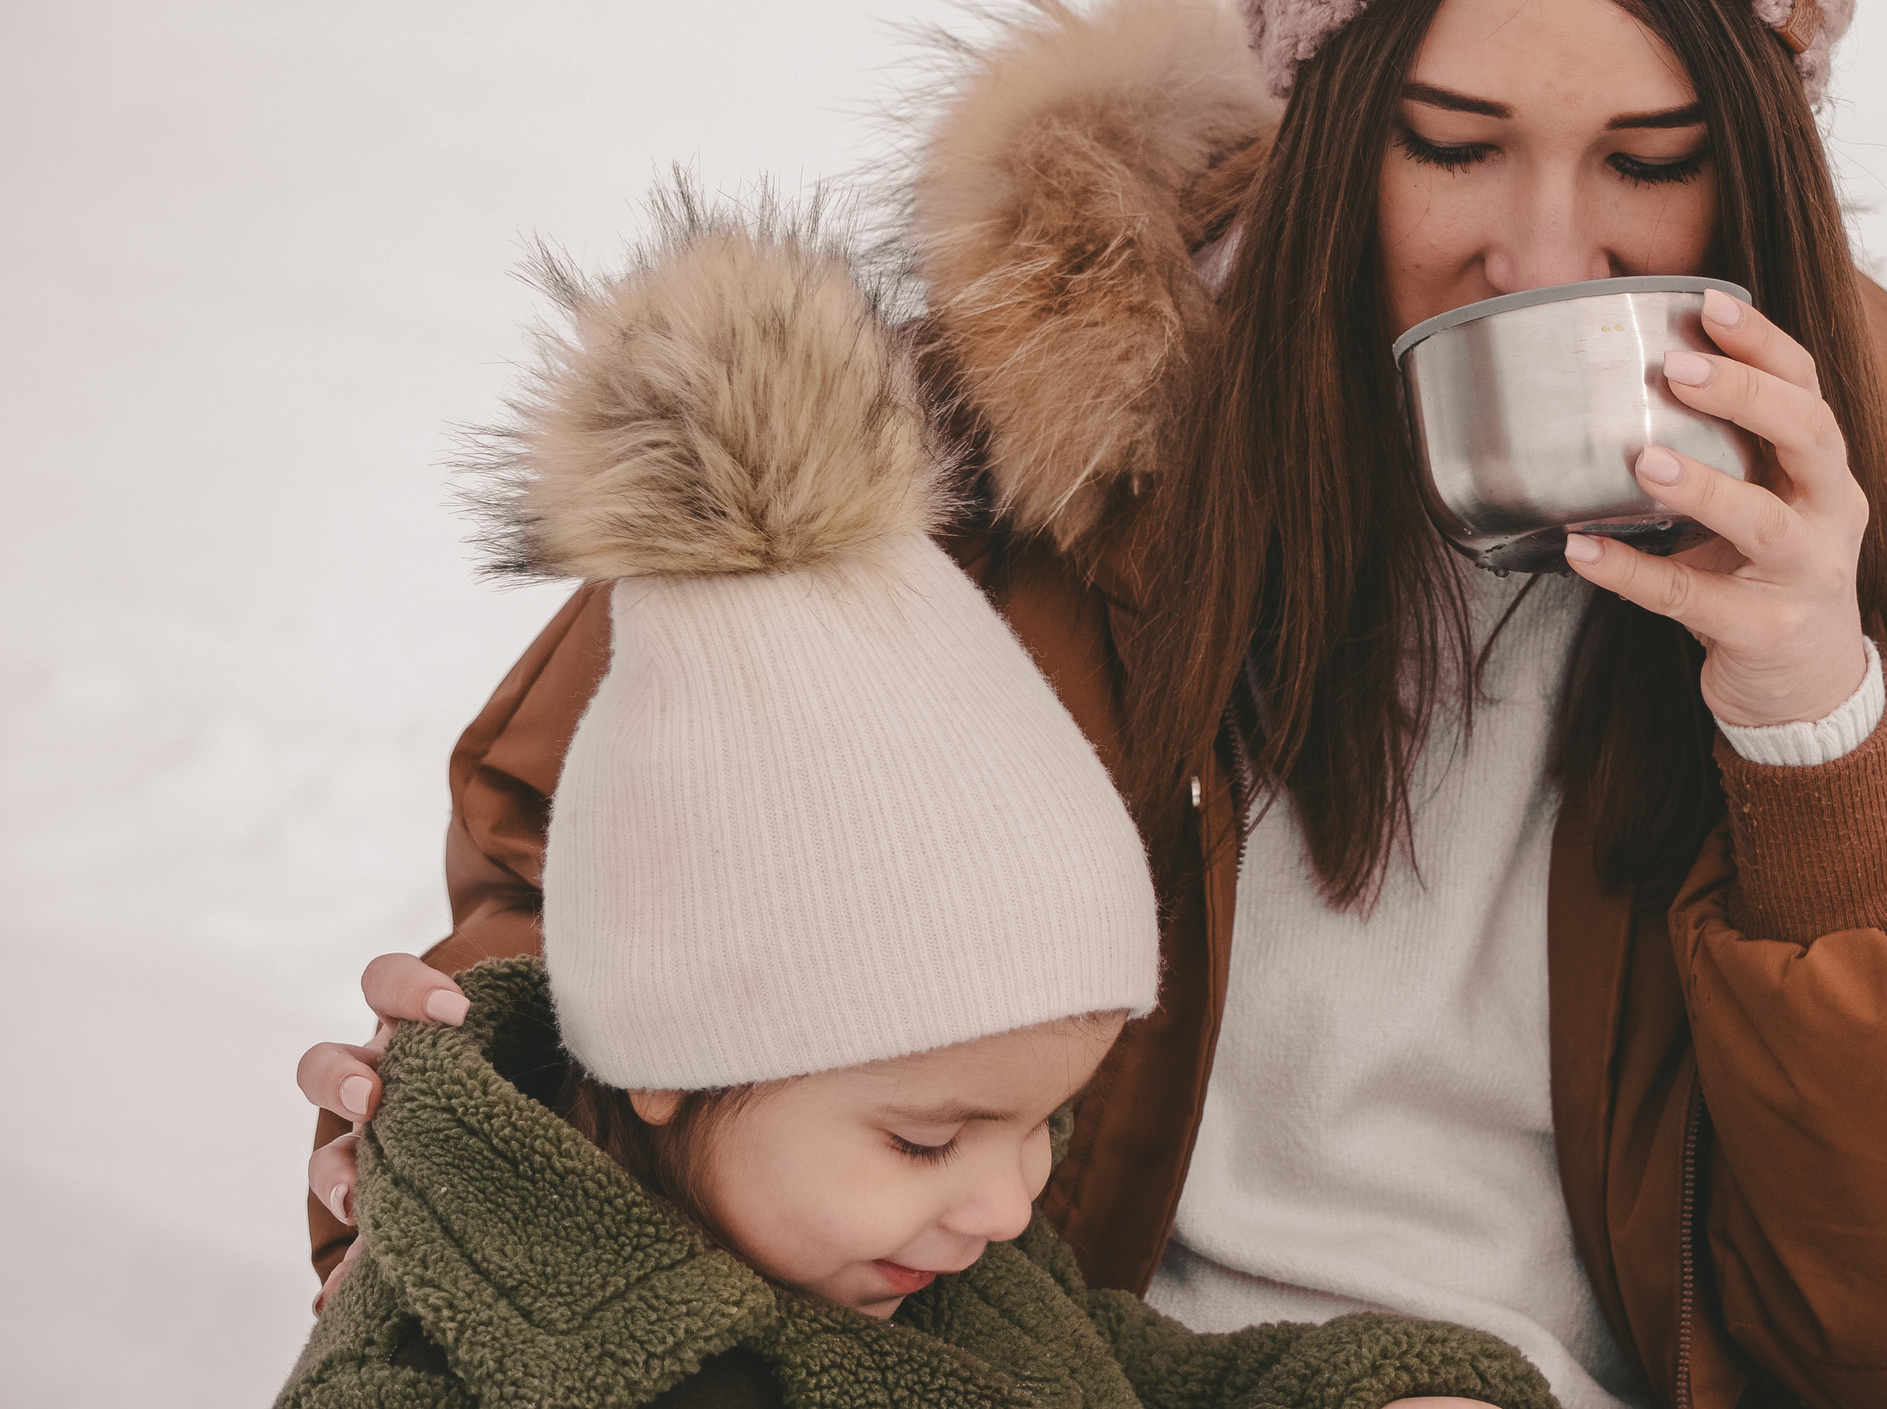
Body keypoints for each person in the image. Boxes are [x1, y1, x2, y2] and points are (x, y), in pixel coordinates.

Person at [298, 0, 1887, 1405]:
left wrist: (1822, 732)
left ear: (1772, 137)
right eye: (1450, 141)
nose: (1541, 253)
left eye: (1652, 158)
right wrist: (476, 1142)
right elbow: (603, 921)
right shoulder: (972, 457)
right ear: (1321, 100)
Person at [278, 218, 1555, 1409]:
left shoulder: (951, 1281)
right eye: (927, 1142)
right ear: (668, 1059)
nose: (1007, 1208)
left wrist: (1379, 1390)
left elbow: (1148, 1375)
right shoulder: (452, 1370)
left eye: (1039, 1127)